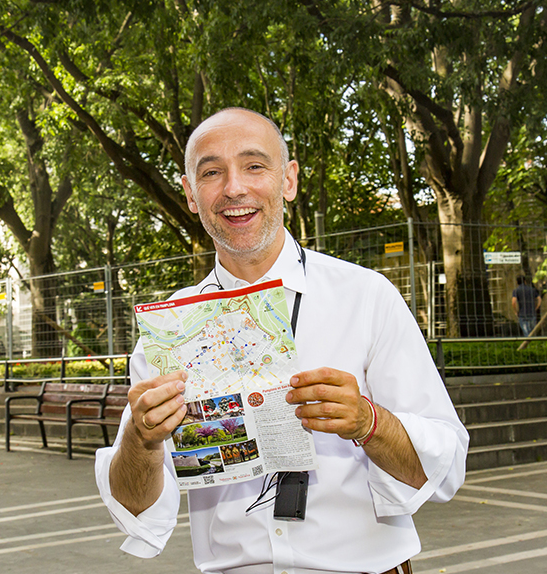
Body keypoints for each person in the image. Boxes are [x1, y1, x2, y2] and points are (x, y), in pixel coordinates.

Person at [95, 107, 469, 574]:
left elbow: (444, 470)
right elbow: (136, 509)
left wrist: (368, 422)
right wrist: (139, 438)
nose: (234, 187)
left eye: (254, 165)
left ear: (288, 181)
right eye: (212, 172)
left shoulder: (366, 296)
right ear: (191, 194)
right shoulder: (168, 331)